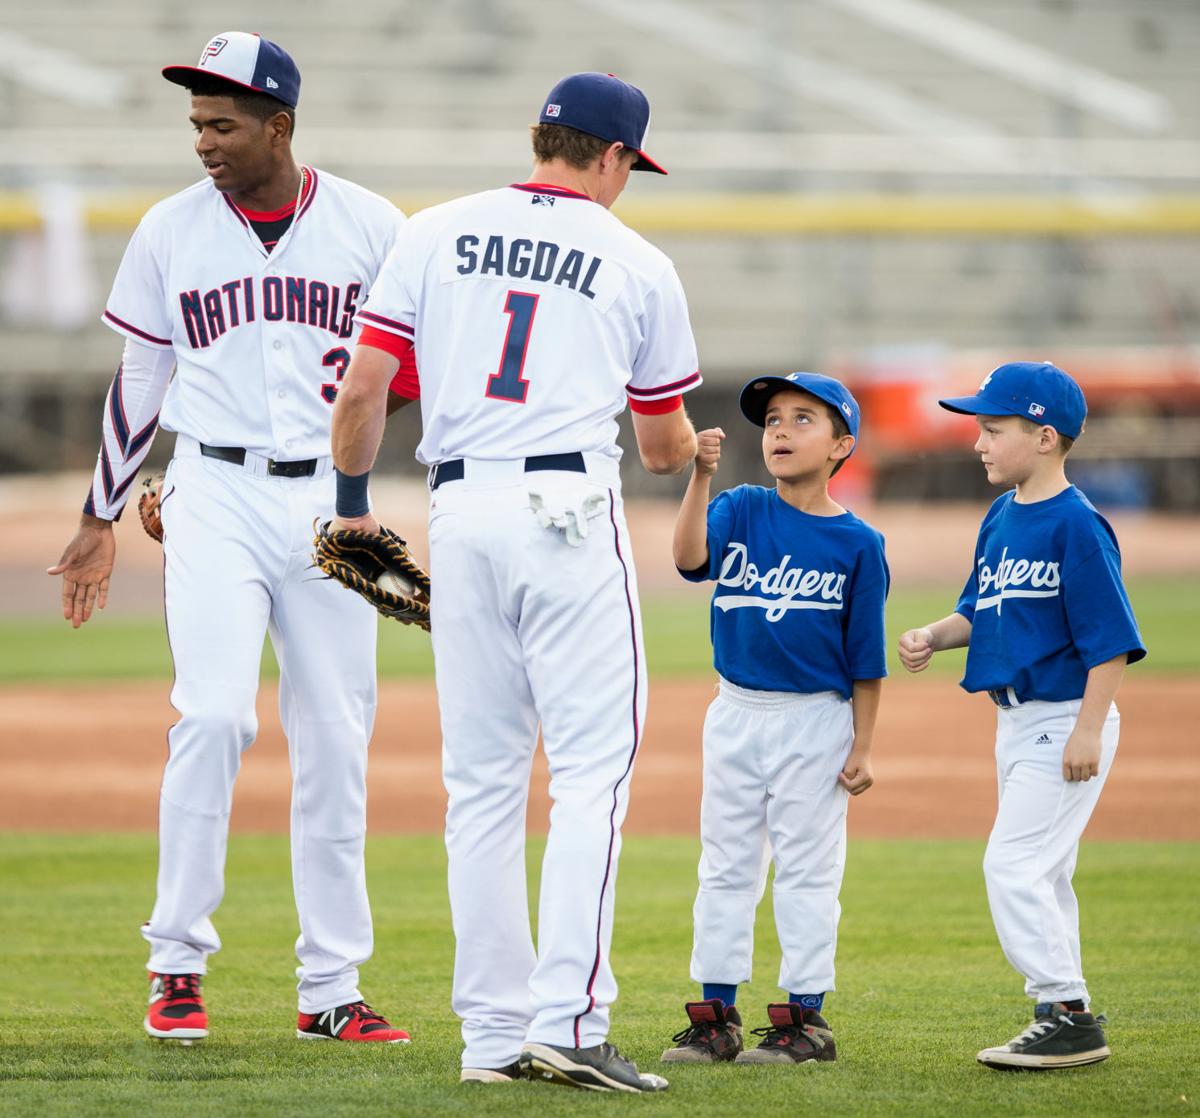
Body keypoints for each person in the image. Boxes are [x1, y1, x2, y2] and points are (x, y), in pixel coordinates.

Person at [329, 72, 700, 1091]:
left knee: (481, 785)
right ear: (615, 156)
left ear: (542, 137)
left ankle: (492, 1035)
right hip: (566, 513)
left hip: (459, 509)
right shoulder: (636, 259)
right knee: (590, 773)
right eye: (633, 167)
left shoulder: (432, 230)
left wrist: (353, 505)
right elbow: (662, 446)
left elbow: (365, 387)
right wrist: (694, 453)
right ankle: (570, 1022)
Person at [47, 32, 413, 1045]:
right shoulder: (169, 230)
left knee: (337, 735)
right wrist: (100, 516)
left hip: (332, 507)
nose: (203, 140)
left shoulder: (373, 225)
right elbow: (140, 382)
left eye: (222, 122)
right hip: (210, 487)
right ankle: (175, 962)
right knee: (211, 717)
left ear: (278, 125)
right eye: (196, 123)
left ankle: (331, 985)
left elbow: (412, 375)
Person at [898, 361, 1145, 1069]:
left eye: (992, 428)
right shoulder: (1003, 516)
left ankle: (1068, 1011)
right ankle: (1061, 1013)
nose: (977, 441)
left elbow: (1110, 641)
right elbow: (982, 606)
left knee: (1011, 865)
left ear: (1043, 436)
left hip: (1063, 716)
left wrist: (1089, 728)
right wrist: (934, 635)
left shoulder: (1077, 526)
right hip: (1016, 723)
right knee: (1046, 872)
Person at [662, 371, 888, 1067]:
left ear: (842, 444)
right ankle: (715, 1014)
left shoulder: (859, 544)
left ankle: (804, 1017)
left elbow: (866, 659)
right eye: (773, 420)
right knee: (725, 866)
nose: (781, 430)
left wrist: (864, 746)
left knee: (806, 871)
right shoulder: (739, 507)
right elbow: (688, 558)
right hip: (735, 712)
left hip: (815, 721)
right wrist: (699, 478)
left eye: (802, 419)